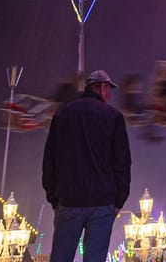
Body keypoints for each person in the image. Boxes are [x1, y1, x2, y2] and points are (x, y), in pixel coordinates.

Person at [43, 68, 132, 262]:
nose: (109, 94)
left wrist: (54, 198)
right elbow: (122, 162)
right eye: (108, 89)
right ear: (101, 87)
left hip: (69, 201)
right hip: (102, 202)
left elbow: (49, 160)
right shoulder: (113, 116)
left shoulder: (63, 114)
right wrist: (119, 200)